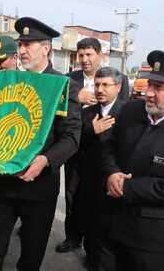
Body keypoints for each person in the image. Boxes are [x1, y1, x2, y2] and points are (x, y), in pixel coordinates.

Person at [0, 17, 81, 271]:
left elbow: (71, 136)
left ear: (46, 48)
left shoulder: (63, 86)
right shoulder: (7, 80)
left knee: (31, 255)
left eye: (28, 44)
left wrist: (46, 160)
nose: (21, 50)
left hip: (38, 186)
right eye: (20, 44)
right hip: (0, 182)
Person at [101, 50, 164, 271]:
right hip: (111, 225)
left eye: (159, 88)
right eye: (150, 84)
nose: (149, 93)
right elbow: (108, 146)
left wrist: (129, 188)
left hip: (154, 239)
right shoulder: (131, 110)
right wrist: (111, 172)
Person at [57, 38, 130, 253]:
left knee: (98, 200)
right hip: (76, 149)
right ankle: (73, 237)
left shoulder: (120, 79)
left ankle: (97, 243)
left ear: (100, 55)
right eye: (81, 55)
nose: (85, 59)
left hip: (105, 150)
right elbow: (61, 112)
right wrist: (77, 98)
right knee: (73, 195)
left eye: (89, 55)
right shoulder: (69, 79)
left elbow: (120, 113)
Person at [77, 67, 125, 270]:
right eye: (97, 84)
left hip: (113, 183)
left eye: (106, 84)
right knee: (89, 223)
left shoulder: (127, 112)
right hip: (88, 180)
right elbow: (72, 142)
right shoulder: (87, 113)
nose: (100, 89)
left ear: (118, 87)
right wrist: (90, 131)